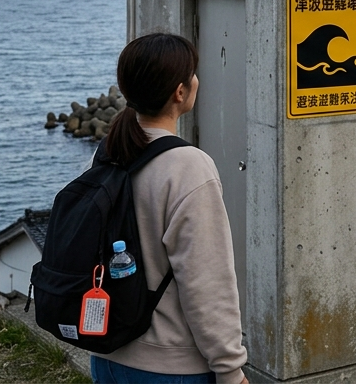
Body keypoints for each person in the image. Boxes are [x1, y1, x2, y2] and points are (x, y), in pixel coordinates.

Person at [91, 33, 247, 384]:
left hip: (108, 357)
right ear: (180, 92)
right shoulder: (188, 166)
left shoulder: (107, 152)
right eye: (192, 73)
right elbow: (207, 281)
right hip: (171, 367)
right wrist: (230, 369)